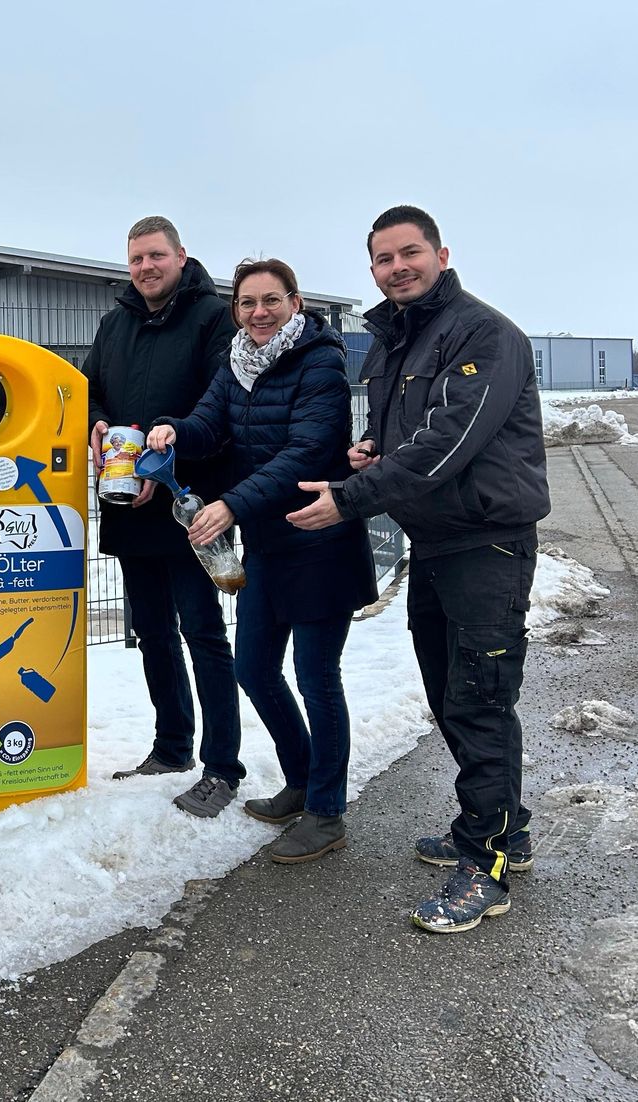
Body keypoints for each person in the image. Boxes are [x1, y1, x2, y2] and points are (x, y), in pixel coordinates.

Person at [288, 206, 550, 931]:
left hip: (487, 543)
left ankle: (487, 861)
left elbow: (448, 438)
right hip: (436, 542)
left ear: (440, 253)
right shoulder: (398, 340)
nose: (397, 266)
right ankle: (506, 827)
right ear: (371, 268)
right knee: (447, 693)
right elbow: (402, 431)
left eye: (410, 253)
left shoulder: (483, 333)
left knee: (481, 697)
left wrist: (352, 497)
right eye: (383, 258)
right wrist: (372, 447)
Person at [147, 259, 377, 860]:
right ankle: (300, 779)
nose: (258, 313)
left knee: (317, 679)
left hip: (319, 538)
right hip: (270, 544)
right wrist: (174, 430)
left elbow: (306, 451)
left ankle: (327, 812)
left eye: (270, 301)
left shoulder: (321, 362)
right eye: (247, 303)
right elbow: (208, 421)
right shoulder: (236, 363)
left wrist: (230, 504)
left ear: (295, 304)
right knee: (253, 667)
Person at [86, 215, 244, 819]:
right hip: (128, 503)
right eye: (135, 260)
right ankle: (172, 744)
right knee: (150, 632)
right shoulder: (115, 322)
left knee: (202, 633)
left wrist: (169, 458)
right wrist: (97, 423)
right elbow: (91, 389)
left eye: (156, 256)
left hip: (190, 503)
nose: (145, 268)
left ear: (182, 255)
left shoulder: (212, 318)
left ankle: (222, 766)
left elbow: (220, 405)